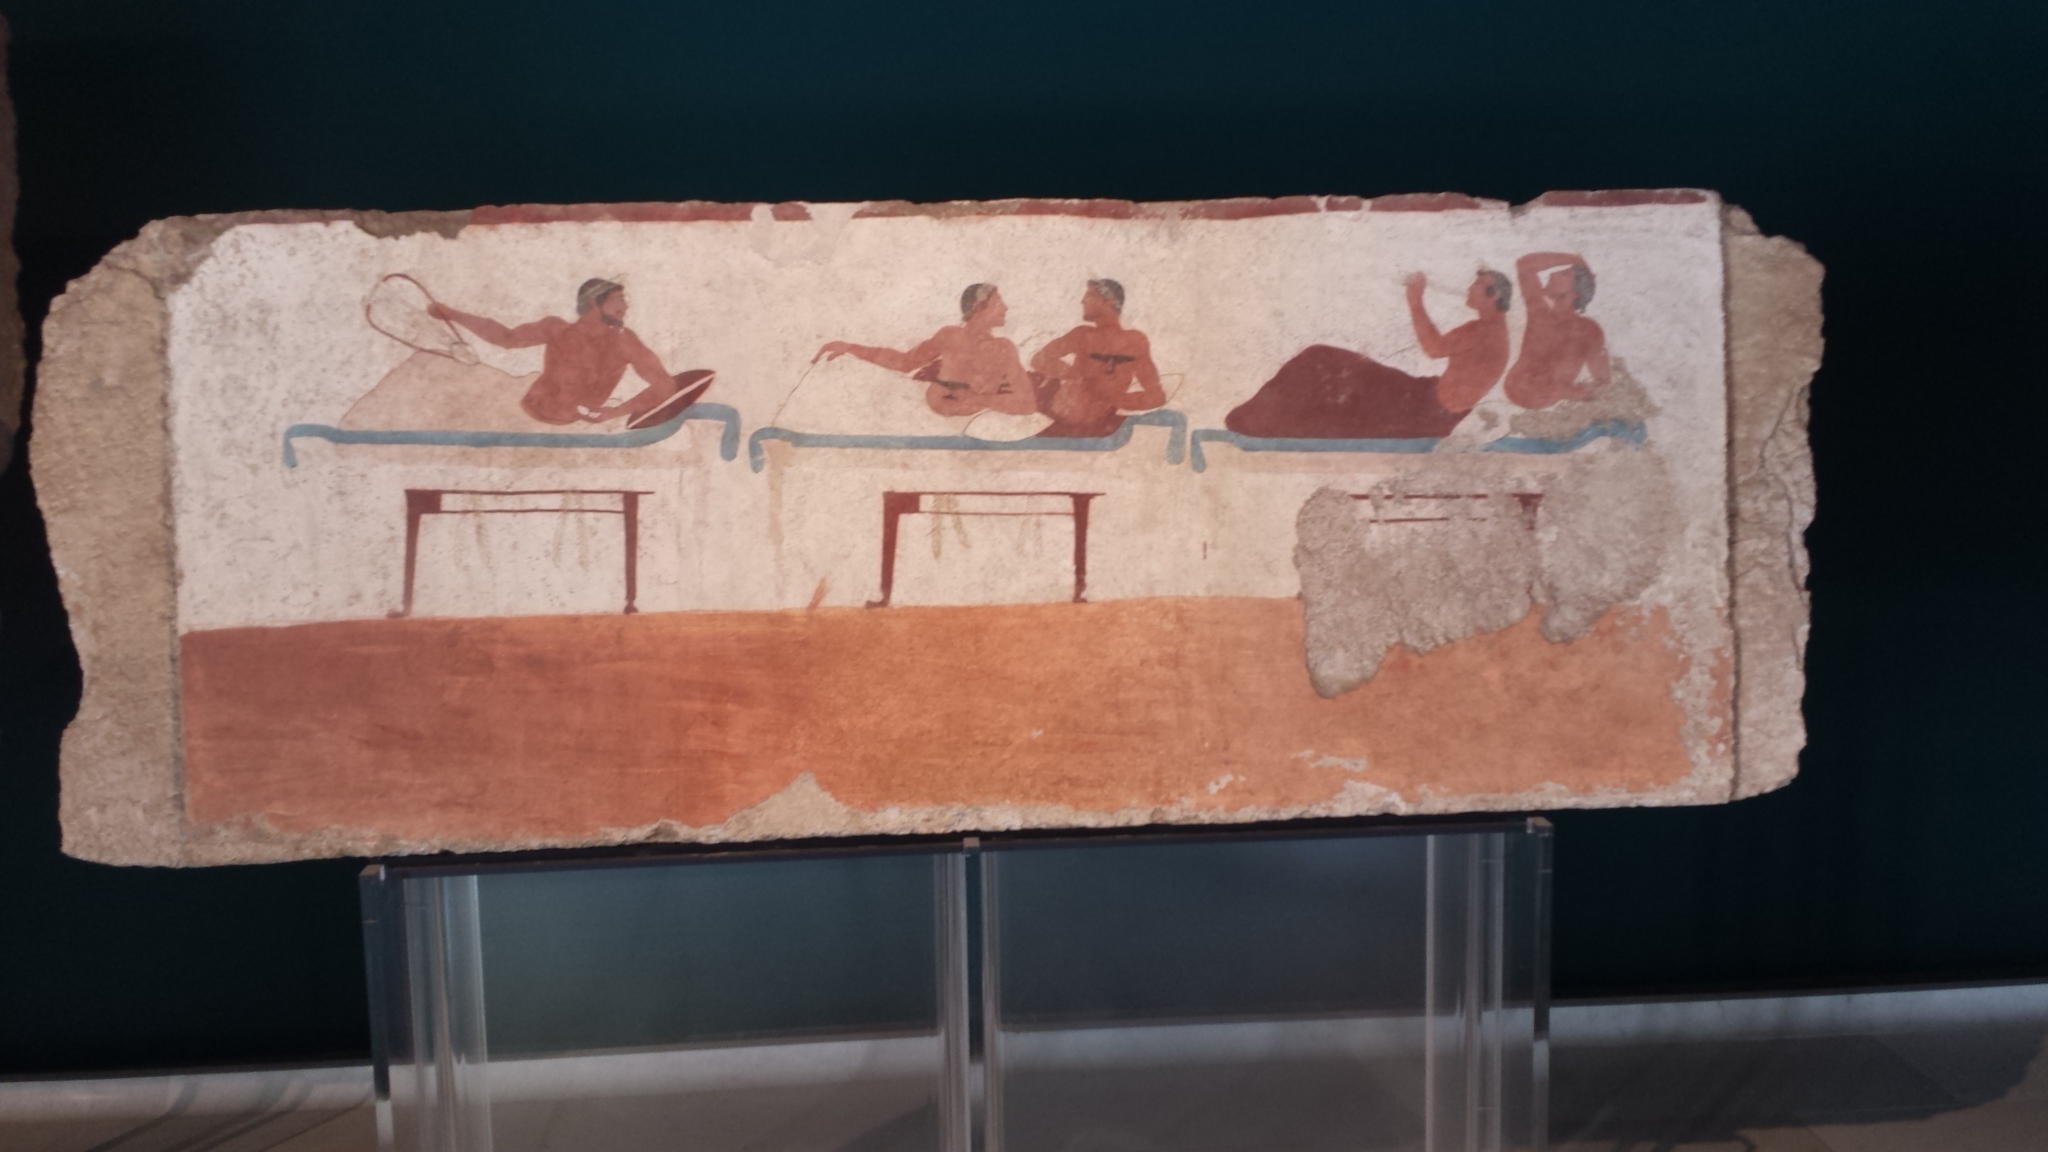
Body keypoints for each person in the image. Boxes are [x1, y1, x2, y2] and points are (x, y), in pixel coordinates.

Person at [1224, 270, 1513, 439]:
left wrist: (1415, 300)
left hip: (1425, 411)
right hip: (1424, 399)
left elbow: (1433, 348)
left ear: (1495, 295)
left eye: (1477, 285)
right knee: (1326, 365)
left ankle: (1250, 421)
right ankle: (1254, 419)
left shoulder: (1484, 331)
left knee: (1321, 363)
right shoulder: (1493, 331)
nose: (1469, 288)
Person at [427, 279, 712, 427]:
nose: (624, 307)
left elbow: (665, 385)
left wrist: (616, 412)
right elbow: (506, 338)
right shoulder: (556, 328)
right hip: (527, 413)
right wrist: (451, 314)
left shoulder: (624, 341)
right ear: (594, 303)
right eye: (617, 300)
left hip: (574, 422)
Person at [813, 284, 1040, 417]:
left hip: (978, 427)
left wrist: (979, 399)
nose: (1005, 308)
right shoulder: (950, 336)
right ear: (978, 307)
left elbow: (1027, 403)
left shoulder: (1003, 349)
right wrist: (851, 348)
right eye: (998, 303)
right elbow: (904, 362)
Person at [1028, 279, 1166, 438]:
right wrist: (1074, 374)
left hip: (1082, 418)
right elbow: (1039, 359)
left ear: (1108, 301)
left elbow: (1156, 397)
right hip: (1063, 410)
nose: (1082, 301)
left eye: (1090, 296)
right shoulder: (1084, 335)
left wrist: (1116, 399)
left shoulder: (1131, 341)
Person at [1503, 252, 1609, 409]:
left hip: (1545, 401)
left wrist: (1575, 393)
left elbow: (1603, 382)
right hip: (1519, 391)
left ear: (1573, 294)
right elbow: (1524, 265)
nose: (1553, 274)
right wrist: (1574, 259)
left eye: (1564, 274)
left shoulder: (1588, 329)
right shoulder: (1540, 312)